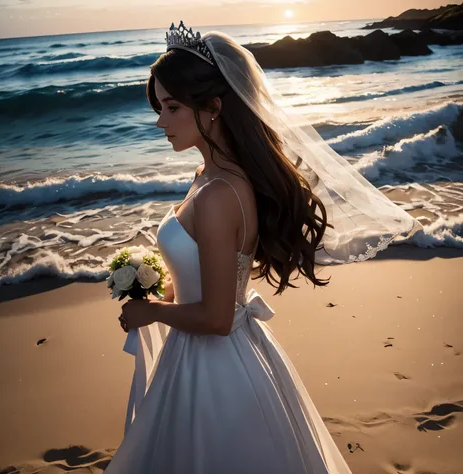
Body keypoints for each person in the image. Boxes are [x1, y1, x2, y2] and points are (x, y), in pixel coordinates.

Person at [105, 22, 420, 474]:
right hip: (220, 354)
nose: (160, 121)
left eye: (171, 107)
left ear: (213, 106)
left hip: (213, 369)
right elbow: (215, 276)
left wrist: (150, 312)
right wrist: (165, 291)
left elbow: (215, 319)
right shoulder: (213, 179)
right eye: (160, 107)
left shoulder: (217, 194)